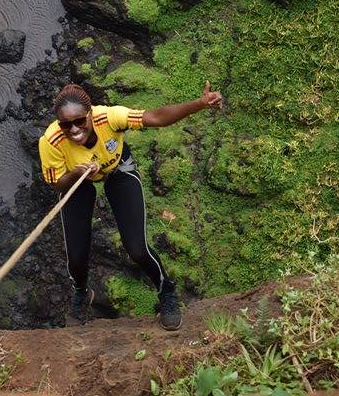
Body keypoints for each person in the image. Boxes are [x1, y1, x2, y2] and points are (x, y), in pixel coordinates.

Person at [38, 81, 223, 330]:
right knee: (77, 258)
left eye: (79, 121)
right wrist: (76, 173)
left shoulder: (110, 117)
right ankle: (82, 293)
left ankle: (166, 291)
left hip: (117, 169)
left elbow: (155, 117)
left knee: (137, 249)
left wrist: (199, 104)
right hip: (77, 180)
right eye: (65, 124)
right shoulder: (52, 140)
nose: (74, 129)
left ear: (91, 114)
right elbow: (59, 185)